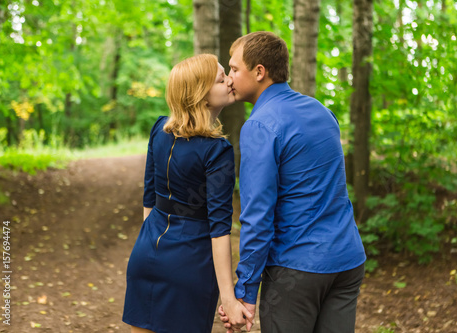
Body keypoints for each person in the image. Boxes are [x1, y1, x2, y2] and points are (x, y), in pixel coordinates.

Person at [219, 31, 367, 333]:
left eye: (234, 69)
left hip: (297, 269)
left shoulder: (259, 125)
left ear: (259, 72)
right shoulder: (323, 112)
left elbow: (257, 216)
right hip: (347, 260)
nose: (230, 78)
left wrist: (246, 292)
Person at [122, 54, 253, 333]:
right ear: (201, 96)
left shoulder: (159, 129)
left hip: (145, 255)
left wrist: (151, 246)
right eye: (221, 78)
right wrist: (229, 299)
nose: (230, 80)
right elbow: (220, 229)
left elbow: (150, 201)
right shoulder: (217, 150)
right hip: (189, 265)